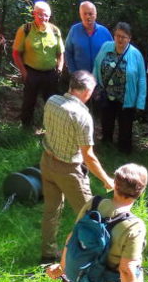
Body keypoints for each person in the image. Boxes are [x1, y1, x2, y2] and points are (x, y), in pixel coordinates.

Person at [39, 70, 114, 264]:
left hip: (47, 162)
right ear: (87, 91)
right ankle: (93, 257)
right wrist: (107, 180)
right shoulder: (82, 115)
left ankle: (48, 253)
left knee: (51, 209)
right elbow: (88, 156)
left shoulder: (52, 101)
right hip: (69, 170)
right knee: (90, 215)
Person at [92, 22, 146, 153]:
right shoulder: (106, 47)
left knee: (126, 127)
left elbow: (142, 79)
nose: (120, 39)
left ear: (129, 38)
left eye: (123, 36)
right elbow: (96, 65)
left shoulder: (135, 54)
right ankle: (106, 146)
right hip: (107, 94)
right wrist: (93, 86)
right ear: (114, 36)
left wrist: (140, 102)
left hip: (126, 97)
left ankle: (124, 151)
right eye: (117, 35)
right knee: (106, 123)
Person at [13, 1, 64, 129]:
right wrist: (24, 73)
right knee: (29, 102)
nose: (43, 18)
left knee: (52, 103)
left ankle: (51, 129)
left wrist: (59, 69)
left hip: (50, 73)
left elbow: (60, 54)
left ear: (49, 16)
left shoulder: (55, 31)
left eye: (46, 15)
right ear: (34, 14)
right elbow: (16, 53)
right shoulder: (25, 29)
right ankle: (25, 129)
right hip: (31, 72)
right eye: (40, 15)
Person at [64, 1, 111, 74]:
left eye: (90, 14)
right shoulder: (74, 31)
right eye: (84, 14)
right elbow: (68, 52)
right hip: (81, 78)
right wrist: (74, 72)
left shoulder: (104, 32)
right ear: (80, 15)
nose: (87, 16)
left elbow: (112, 53)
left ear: (95, 15)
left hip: (101, 78)